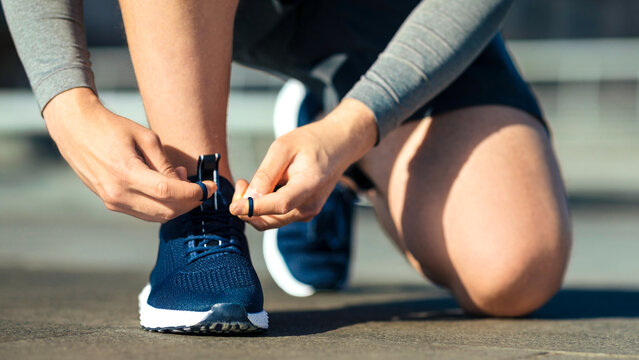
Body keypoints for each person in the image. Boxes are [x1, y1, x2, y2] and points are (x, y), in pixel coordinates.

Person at [2, 0, 571, 334]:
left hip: (395, 19)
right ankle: (204, 215)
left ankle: (336, 141)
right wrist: (66, 102)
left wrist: (350, 128)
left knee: (515, 270)